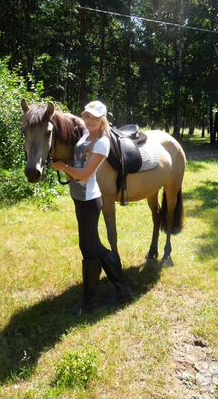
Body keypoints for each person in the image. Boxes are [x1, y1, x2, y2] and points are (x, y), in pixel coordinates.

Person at [52, 100, 132, 315]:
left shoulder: (102, 143)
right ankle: (122, 290)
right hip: (79, 197)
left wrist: (62, 167)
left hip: (89, 200)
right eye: (87, 116)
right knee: (94, 246)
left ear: (102, 119)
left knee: (88, 249)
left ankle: (89, 303)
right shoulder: (86, 135)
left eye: (95, 118)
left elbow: (86, 174)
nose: (90, 120)